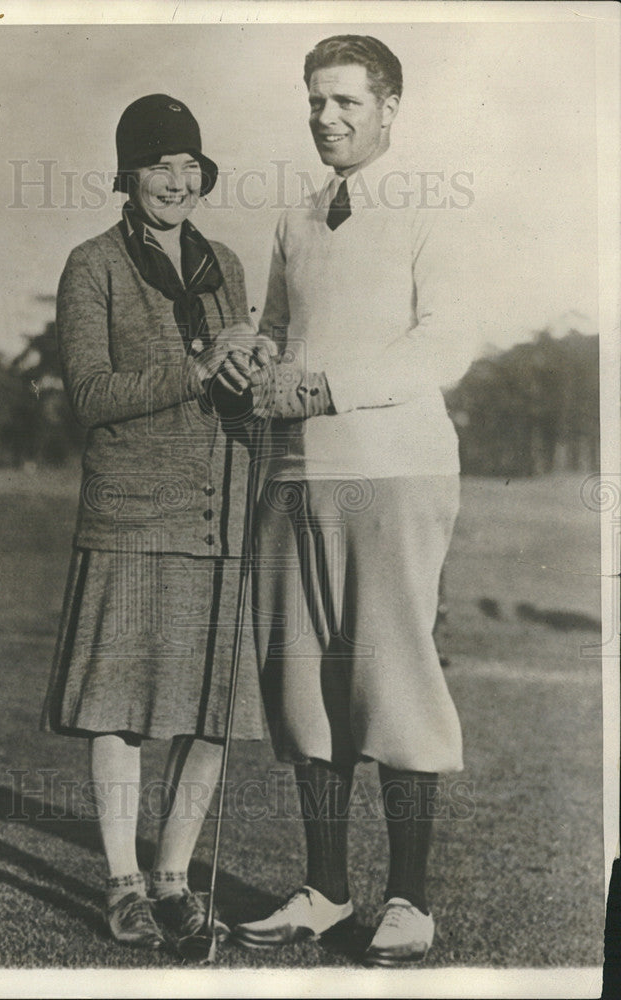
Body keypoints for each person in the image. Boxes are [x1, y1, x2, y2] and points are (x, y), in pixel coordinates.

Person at [226, 35, 476, 965]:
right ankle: (325, 890)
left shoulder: (429, 209)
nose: (327, 119)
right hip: (295, 471)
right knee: (307, 686)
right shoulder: (295, 218)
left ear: (387, 108)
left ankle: (408, 900)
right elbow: (280, 330)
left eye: (345, 102)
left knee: (394, 679)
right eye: (315, 103)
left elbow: (443, 344)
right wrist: (256, 358)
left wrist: (326, 387)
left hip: (396, 467)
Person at [41, 94, 270, 951]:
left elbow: (231, 383)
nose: (175, 182)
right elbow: (91, 397)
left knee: (212, 711)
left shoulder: (228, 265)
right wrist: (198, 365)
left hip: (221, 512)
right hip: (132, 515)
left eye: (189, 168)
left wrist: (253, 368)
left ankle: (174, 879)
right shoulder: (92, 263)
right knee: (123, 709)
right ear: (127, 177)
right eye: (158, 166)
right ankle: (123, 885)